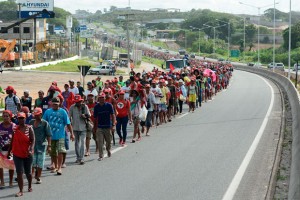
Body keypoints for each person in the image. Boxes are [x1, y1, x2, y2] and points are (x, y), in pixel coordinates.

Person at [43, 97, 74, 175]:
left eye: (56, 104)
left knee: (60, 151)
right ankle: (55, 166)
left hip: (61, 135)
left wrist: (72, 134)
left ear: (59, 103)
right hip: (51, 136)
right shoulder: (47, 112)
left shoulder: (63, 112)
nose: (55, 106)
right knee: (53, 153)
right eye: (53, 104)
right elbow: (44, 123)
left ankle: (59, 168)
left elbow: (68, 123)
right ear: (51, 104)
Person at [8, 112, 35, 197]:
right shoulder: (15, 129)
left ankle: (30, 185)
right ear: (17, 119)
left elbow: (33, 140)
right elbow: (12, 141)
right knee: (19, 172)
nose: (21, 120)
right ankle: (20, 190)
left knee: (28, 173)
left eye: (22, 118)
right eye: (19, 118)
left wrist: (30, 149)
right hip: (17, 153)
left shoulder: (29, 128)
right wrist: (9, 151)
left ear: (25, 118)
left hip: (27, 153)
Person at [29, 108, 51, 184]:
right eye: (35, 115)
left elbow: (49, 135)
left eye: (37, 115)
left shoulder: (45, 123)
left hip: (42, 145)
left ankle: (38, 176)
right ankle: (32, 175)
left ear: (41, 114)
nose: (36, 116)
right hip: (33, 146)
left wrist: (49, 146)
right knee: (33, 162)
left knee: (40, 162)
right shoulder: (31, 122)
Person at [93, 93, 116, 161]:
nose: (101, 99)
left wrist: (113, 125)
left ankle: (108, 149)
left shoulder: (109, 105)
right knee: (100, 141)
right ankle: (101, 155)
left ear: (105, 99)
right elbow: (95, 118)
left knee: (108, 141)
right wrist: (94, 128)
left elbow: (113, 115)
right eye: (100, 98)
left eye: (103, 98)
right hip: (100, 127)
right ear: (98, 99)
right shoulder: (96, 107)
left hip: (108, 126)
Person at [69, 95, 90, 165]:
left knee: (82, 143)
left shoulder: (85, 107)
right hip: (75, 128)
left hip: (83, 127)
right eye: (76, 102)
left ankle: (82, 158)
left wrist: (85, 116)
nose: (78, 103)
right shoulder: (72, 107)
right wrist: (69, 127)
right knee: (76, 143)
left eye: (79, 102)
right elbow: (69, 117)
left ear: (81, 101)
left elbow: (89, 115)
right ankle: (78, 157)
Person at [0, 110, 15, 188]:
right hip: (1, 149)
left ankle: (11, 181)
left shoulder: (14, 126)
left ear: (10, 117)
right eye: (4, 116)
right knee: (0, 166)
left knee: (11, 166)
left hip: (11, 149)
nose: (5, 117)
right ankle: (2, 181)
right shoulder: (0, 126)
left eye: (7, 116)